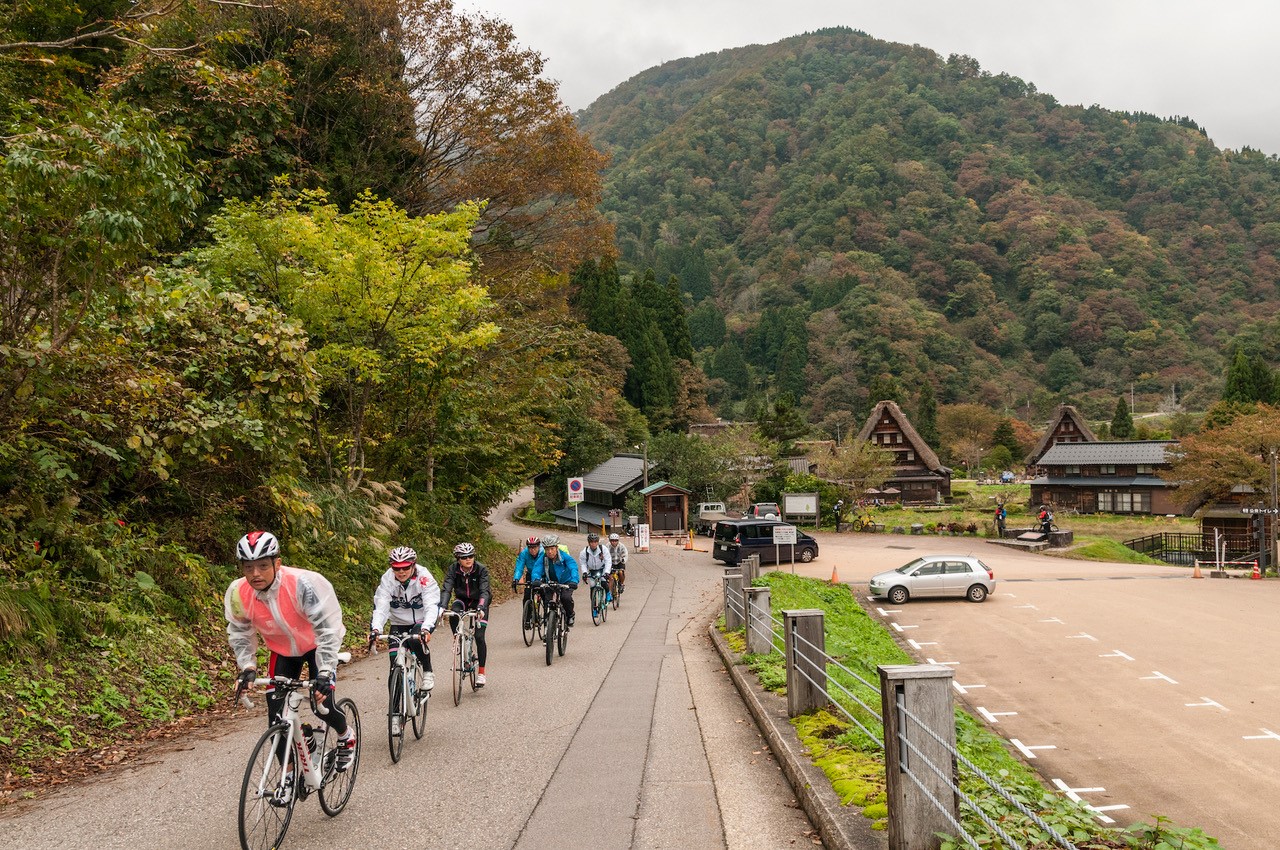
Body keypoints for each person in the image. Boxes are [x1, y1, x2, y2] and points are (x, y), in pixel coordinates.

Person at [225, 530, 356, 771]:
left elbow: (328, 629)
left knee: (322, 706)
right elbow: (240, 632)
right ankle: (288, 775)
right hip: (283, 652)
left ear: (277, 563)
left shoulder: (303, 584)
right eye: (248, 567)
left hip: (317, 647)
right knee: (276, 717)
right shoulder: (238, 592)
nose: (255, 574)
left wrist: (326, 671)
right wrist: (248, 667)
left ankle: (346, 735)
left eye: (263, 566)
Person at [368, 545, 439, 730]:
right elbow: (381, 604)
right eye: (396, 568)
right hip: (398, 622)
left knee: (416, 640)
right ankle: (395, 714)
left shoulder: (424, 577)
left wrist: (426, 628)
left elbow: (432, 604)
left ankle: (428, 671)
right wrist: (376, 629)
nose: (401, 572)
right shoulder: (388, 579)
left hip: (421, 620)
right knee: (394, 669)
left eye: (405, 567)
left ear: (413, 565)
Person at [439, 542, 492, 686]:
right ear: (458, 559)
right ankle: (457, 638)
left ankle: (481, 672)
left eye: (471, 556)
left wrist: (481, 607)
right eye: (464, 557)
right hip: (461, 600)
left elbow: (484, 591)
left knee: (479, 637)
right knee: (453, 613)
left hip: (478, 602)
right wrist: (442, 606)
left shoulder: (481, 569)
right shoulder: (453, 569)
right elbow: (447, 589)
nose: (468, 559)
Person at [539, 533, 580, 628]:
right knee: (547, 601)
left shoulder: (565, 557)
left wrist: (574, 581)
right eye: (547, 549)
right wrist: (536, 579)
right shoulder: (543, 558)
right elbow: (537, 569)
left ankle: (570, 615)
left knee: (566, 598)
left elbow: (573, 568)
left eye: (552, 549)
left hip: (566, 583)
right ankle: (548, 623)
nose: (549, 552)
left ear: (557, 548)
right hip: (551, 582)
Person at [512, 535, 545, 630]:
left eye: (534, 547)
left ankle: (548, 617)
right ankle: (527, 618)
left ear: (539, 546)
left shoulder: (543, 552)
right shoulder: (524, 553)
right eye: (530, 547)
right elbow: (519, 567)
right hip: (530, 574)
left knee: (545, 594)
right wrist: (516, 579)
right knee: (527, 595)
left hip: (543, 575)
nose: (532, 550)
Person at [579, 532, 612, 616]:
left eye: (595, 542)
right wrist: (585, 573)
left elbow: (608, 560)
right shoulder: (584, 552)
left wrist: (607, 572)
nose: (593, 544)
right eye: (591, 542)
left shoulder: (603, 549)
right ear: (588, 543)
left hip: (602, 568)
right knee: (592, 587)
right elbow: (583, 563)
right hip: (592, 570)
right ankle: (594, 608)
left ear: (598, 542)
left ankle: (608, 593)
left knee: (603, 581)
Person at [606, 532, 628, 597]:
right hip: (611, 562)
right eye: (612, 541)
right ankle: (609, 592)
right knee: (610, 576)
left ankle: (621, 584)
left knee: (621, 572)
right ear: (610, 541)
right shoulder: (607, 546)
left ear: (618, 541)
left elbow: (625, 554)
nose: (614, 542)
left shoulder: (622, 546)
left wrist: (623, 560)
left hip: (620, 562)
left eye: (616, 541)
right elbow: (604, 554)